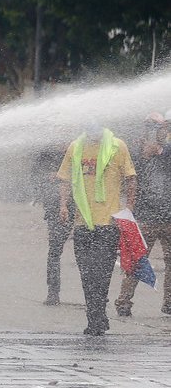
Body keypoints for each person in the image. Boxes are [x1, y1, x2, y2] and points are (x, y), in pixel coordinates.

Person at [57, 121, 137, 336]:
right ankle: (95, 315)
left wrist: (129, 207)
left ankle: (97, 316)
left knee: (101, 274)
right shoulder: (76, 147)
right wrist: (63, 205)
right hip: (82, 222)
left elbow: (131, 178)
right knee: (86, 274)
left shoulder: (117, 146)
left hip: (108, 224)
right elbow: (64, 178)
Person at [115, 113, 171, 316]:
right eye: (153, 129)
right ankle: (123, 302)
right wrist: (145, 155)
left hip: (169, 217)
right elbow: (128, 178)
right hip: (145, 218)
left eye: (161, 129)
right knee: (137, 260)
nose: (158, 133)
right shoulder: (136, 153)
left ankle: (169, 303)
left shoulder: (168, 151)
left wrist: (161, 151)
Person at [33, 145, 75, 305]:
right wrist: (49, 178)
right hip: (56, 209)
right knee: (55, 251)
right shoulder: (46, 154)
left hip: (82, 207)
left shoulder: (81, 150)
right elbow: (36, 179)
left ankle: (94, 295)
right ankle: (53, 292)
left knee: (86, 254)